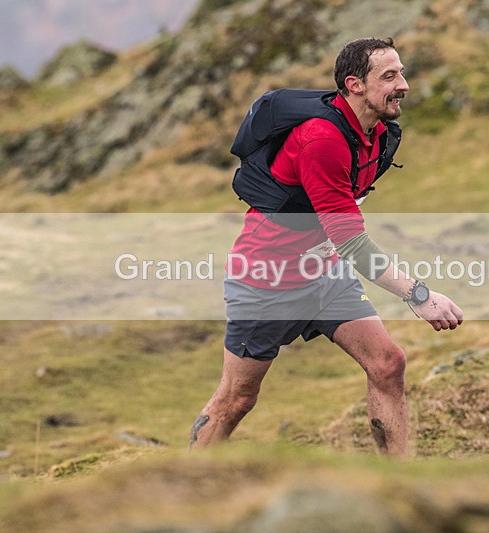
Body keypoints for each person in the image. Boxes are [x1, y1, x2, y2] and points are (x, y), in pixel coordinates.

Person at [189, 37, 463, 456]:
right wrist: (418, 295)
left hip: (325, 274)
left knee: (388, 364)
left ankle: (401, 483)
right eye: (389, 76)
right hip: (268, 280)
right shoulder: (322, 139)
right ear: (354, 85)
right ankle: (186, 483)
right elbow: (351, 241)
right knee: (237, 399)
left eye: (402, 72)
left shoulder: (379, 133)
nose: (404, 84)